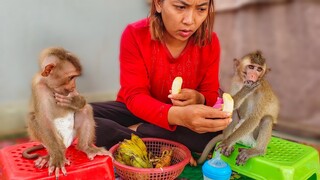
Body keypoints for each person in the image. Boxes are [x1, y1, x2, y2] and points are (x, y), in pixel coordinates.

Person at [91, 0, 231, 159]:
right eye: (180, 7)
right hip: (136, 111)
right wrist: (178, 115)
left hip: (183, 122)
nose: (189, 20)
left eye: (201, 9)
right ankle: (159, 140)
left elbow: (210, 93)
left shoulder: (210, 41)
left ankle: (138, 134)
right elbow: (135, 96)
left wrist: (199, 98)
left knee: (215, 133)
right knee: (80, 116)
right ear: (158, 4)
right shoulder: (135, 34)